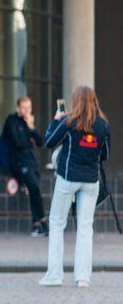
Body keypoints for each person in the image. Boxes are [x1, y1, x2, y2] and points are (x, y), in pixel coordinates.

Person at [40, 86, 110, 288]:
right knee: (86, 228)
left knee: (56, 224)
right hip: (90, 181)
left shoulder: (69, 122)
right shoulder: (103, 125)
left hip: (67, 178)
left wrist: (55, 120)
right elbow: (104, 155)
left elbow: (49, 141)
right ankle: (82, 278)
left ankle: (54, 274)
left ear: (76, 101)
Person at [1, 96, 48, 236]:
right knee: (34, 187)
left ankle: (36, 225)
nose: (27, 111)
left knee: (34, 191)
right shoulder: (11, 121)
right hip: (19, 162)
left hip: (32, 161)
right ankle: (43, 220)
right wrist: (30, 139)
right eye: (24, 108)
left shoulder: (30, 123)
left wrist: (32, 128)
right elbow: (17, 142)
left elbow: (40, 143)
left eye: (29, 108)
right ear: (18, 108)